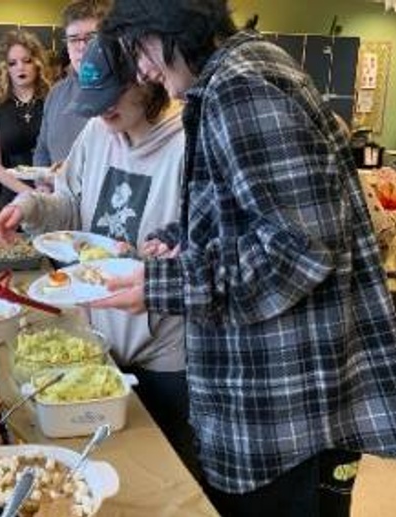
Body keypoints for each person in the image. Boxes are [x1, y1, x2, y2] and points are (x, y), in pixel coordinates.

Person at [96, 1, 396, 516]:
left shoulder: (241, 86)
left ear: (171, 27)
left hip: (284, 413)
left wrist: (166, 283)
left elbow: (299, 249)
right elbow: (259, 211)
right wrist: (184, 237)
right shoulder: (241, 72)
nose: (142, 69)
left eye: (141, 48)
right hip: (275, 403)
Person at [0, 37, 199, 474]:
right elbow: (68, 206)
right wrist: (29, 207)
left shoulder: (189, 141)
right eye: (94, 102)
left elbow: (201, 245)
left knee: (163, 473)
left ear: (147, 79)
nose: (103, 113)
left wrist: (162, 252)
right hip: (96, 339)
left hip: (165, 352)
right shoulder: (96, 132)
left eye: (113, 98)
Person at [32, 0, 110, 167]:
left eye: (91, 37)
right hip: (56, 192)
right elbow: (42, 149)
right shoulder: (55, 93)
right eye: (74, 39)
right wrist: (42, 182)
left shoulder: (125, 96)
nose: (82, 46)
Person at [0, 30, 51, 208]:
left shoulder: (53, 98)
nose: (20, 67)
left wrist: (49, 187)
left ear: (37, 64)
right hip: (15, 195)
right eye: (12, 63)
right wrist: (30, 193)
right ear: (5, 68)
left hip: (53, 192)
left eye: (26, 61)